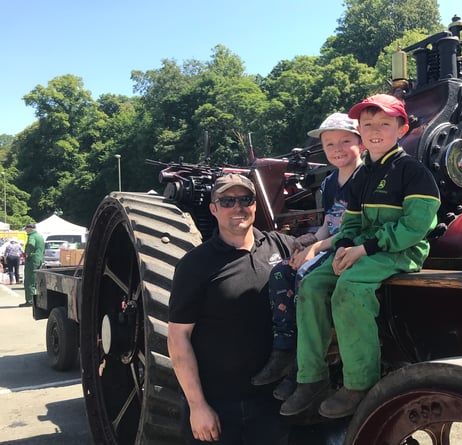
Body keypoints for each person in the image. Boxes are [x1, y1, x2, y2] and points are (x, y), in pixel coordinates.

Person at [280, 94, 441, 419]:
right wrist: (343, 247)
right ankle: (311, 377)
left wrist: (363, 249)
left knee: (348, 289)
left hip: (401, 251)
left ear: (402, 128)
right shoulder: (363, 176)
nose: (375, 131)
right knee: (311, 286)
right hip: (364, 248)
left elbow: (414, 227)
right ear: (361, 131)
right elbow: (351, 223)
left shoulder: (413, 172)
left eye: (384, 123)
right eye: (368, 125)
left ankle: (360, 383)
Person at [168, 173, 299, 444]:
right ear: (213, 209)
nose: (237, 207)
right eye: (227, 201)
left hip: (273, 404)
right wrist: (197, 406)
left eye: (245, 199)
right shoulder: (196, 264)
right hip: (218, 406)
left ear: (254, 205)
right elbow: (178, 338)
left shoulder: (281, 247)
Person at [250, 112, 363, 401]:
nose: (337, 149)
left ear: (361, 144)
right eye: (329, 144)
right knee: (280, 272)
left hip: (351, 247)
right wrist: (310, 238)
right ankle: (285, 348)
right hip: (329, 244)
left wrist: (316, 248)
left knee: (304, 274)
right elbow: (329, 223)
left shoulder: (366, 180)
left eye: (344, 141)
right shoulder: (329, 184)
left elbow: (357, 228)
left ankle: (307, 363)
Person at [21, 224, 44, 307]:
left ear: (30, 229)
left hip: (32, 260)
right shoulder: (40, 236)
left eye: (26, 229)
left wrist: (27, 253)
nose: (25, 231)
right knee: (36, 280)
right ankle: (37, 300)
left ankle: (30, 301)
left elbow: (31, 244)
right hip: (39, 259)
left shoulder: (32, 236)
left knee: (29, 281)